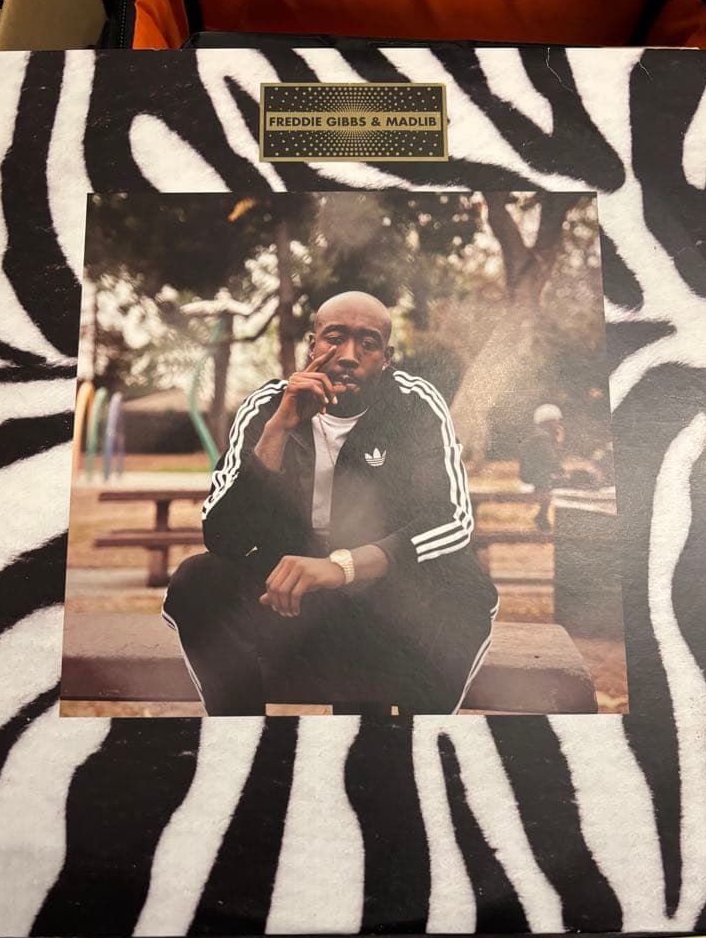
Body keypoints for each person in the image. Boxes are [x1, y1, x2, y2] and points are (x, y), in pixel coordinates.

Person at [163, 291, 498, 715]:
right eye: (335, 339)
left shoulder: (414, 404)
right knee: (196, 581)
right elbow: (221, 532)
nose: (349, 356)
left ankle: (418, 741)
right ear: (312, 345)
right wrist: (278, 431)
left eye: (368, 344)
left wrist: (343, 566)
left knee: (467, 586)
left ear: (387, 357)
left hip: (381, 601)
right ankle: (244, 738)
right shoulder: (268, 406)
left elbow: (452, 518)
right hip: (286, 600)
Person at [518, 403, 569, 532]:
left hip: (534, 474)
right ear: (547, 422)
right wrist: (559, 443)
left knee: (557, 479)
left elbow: (551, 463)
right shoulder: (542, 438)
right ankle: (542, 516)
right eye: (556, 421)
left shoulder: (540, 436)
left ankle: (542, 515)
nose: (558, 424)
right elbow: (552, 461)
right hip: (535, 476)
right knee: (566, 480)